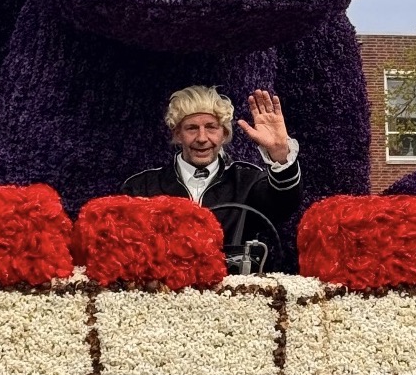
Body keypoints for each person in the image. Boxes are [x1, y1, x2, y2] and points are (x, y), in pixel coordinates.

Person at [123, 84, 301, 270]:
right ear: (177, 134)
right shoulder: (141, 187)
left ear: (224, 133)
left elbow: (284, 204)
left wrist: (279, 153)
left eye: (211, 127)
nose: (202, 138)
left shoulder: (247, 181)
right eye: (192, 128)